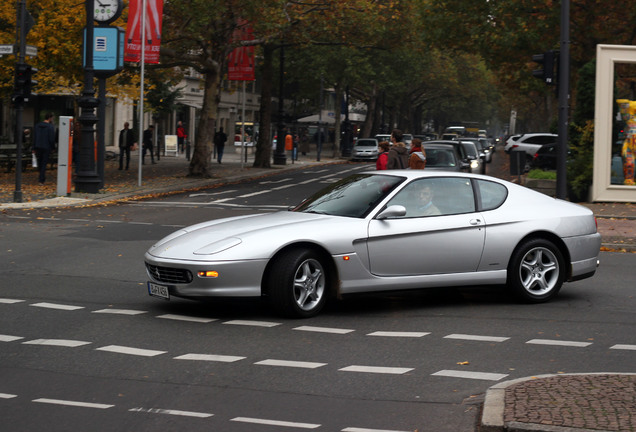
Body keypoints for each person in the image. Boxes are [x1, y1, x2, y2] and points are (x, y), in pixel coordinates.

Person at [32, 113, 56, 185]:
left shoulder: (37, 126)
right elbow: (51, 139)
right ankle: (41, 179)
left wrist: (33, 147)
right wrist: (53, 147)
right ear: (50, 118)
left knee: (40, 162)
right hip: (46, 147)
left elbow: (34, 137)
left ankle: (41, 176)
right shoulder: (50, 127)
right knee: (44, 163)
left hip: (38, 146)